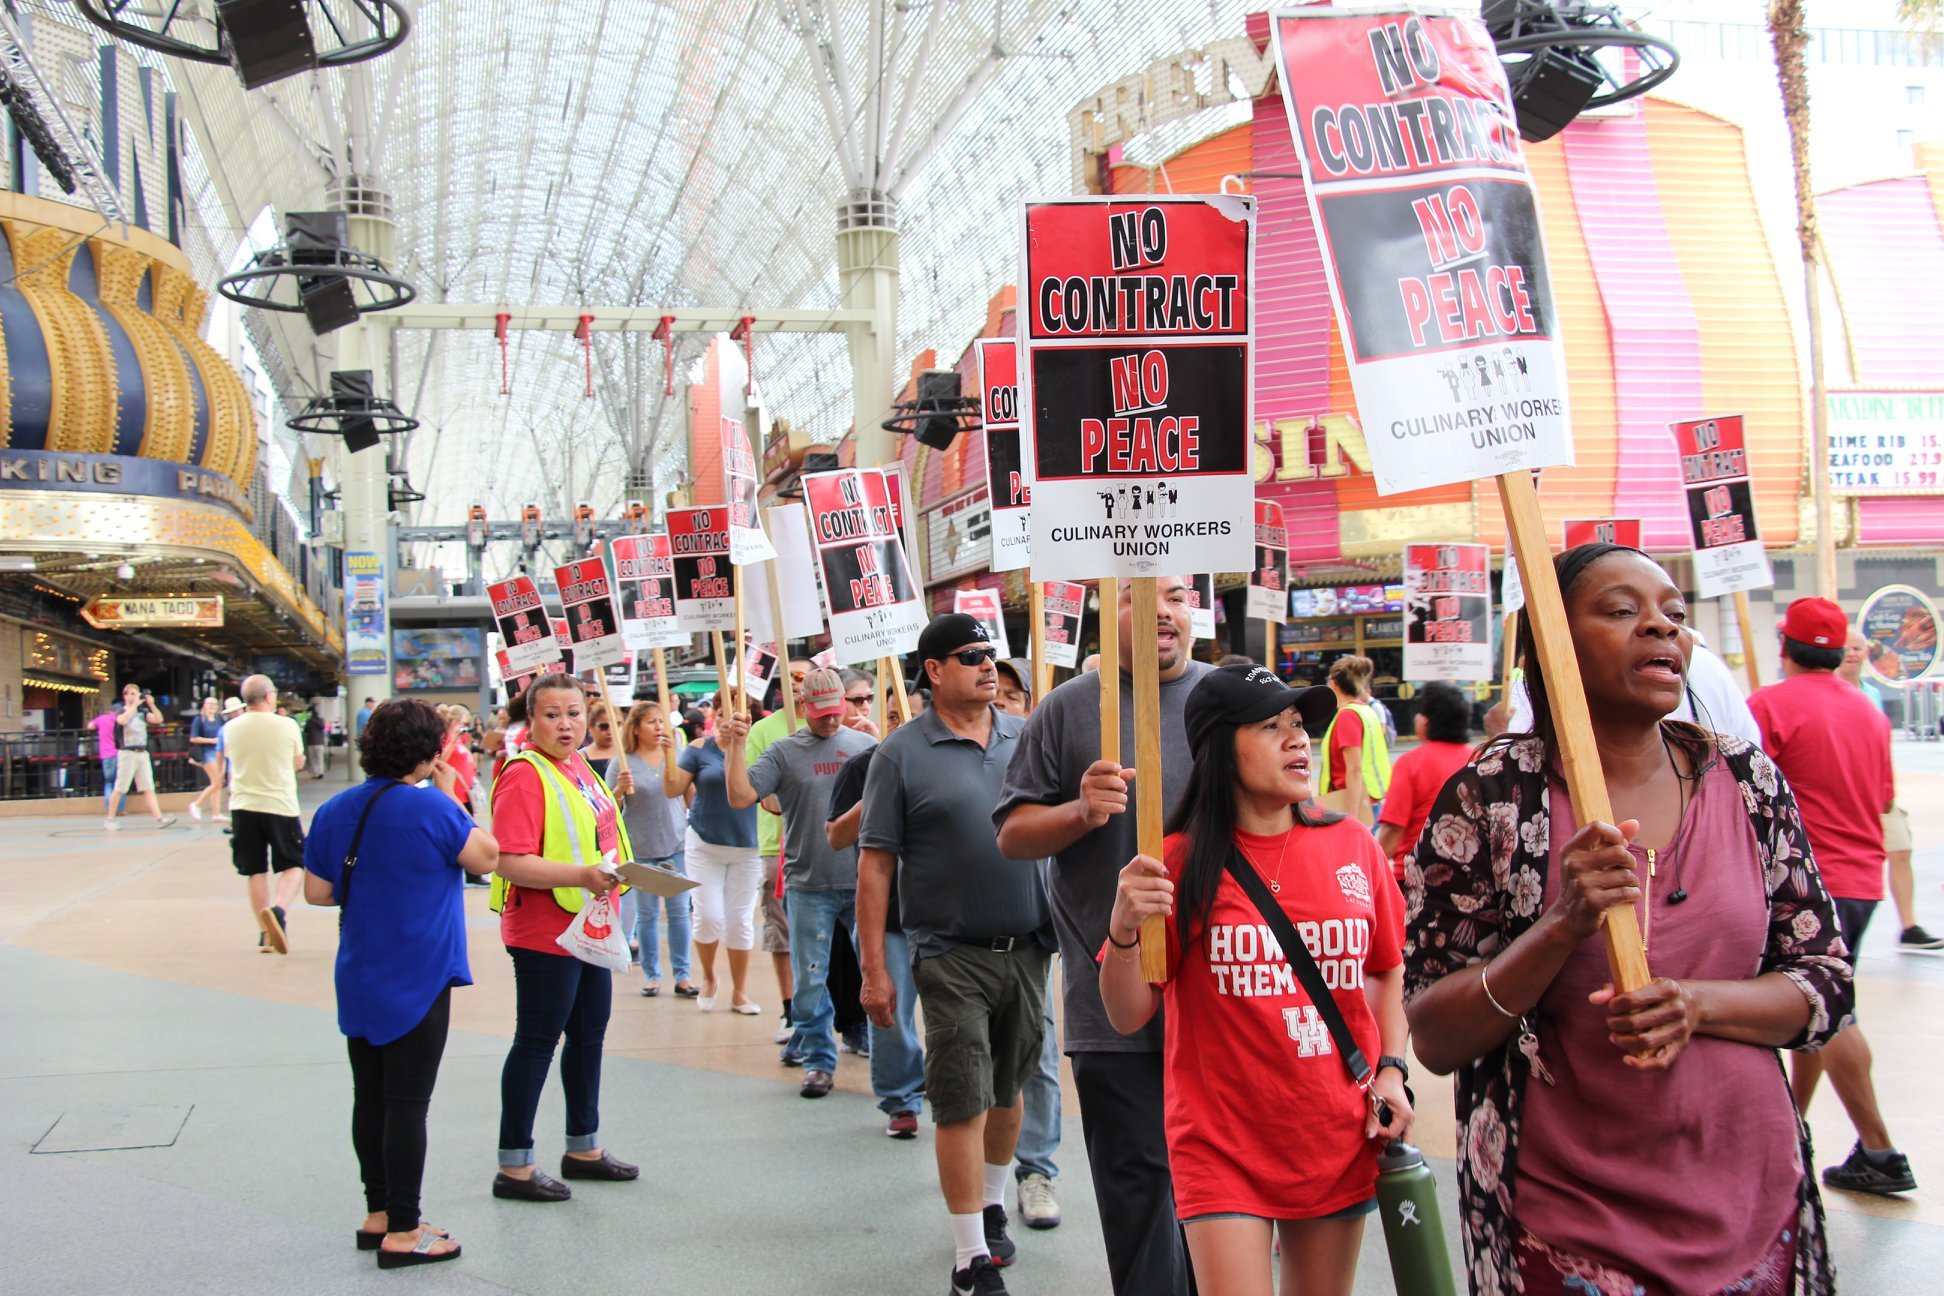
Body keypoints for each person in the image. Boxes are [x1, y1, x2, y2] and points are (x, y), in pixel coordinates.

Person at [1406, 547, 1856, 1294]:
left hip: (1753, 1200)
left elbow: (1828, 984)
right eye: (1621, 611)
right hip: (1564, 1220)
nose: (1661, 628)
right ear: (1551, 644)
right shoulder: (1490, 797)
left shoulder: (1748, 781)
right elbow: (1437, 1035)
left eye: (1675, 616)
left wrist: (1697, 1003)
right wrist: (1560, 925)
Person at [1103, 664, 1410, 1296]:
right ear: (1219, 748)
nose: (1298, 740)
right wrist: (1125, 927)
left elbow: (1385, 969)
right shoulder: (1174, 862)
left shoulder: (1354, 846)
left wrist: (1391, 1070)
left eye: (1299, 724)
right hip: (1220, 1144)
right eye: (1272, 726)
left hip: (1337, 1132)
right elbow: (1127, 1013)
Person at [994, 575, 1211, 1296]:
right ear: (1105, 609)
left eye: (1178, 596)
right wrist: (1080, 814)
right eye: (1140, 596)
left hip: (1224, 1007)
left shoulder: (1231, 704)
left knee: (1219, 1208)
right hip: (1113, 1006)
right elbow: (1014, 836)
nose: (1163, 611)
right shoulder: (1064, 711)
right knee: (1144, 1204)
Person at [856, 615, 1051, 1293]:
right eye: (970, 657)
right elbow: (875, 866)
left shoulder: (1025, 738)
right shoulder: (899, 754)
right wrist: (875, 972)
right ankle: (970, 1256)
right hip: (948, 955)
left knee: (1008, 1090)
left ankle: (993, 1202)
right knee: (963, 1098)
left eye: (990, 655)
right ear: (934, 671)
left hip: (1027, 950)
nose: (987, 666)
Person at [303, 698, 499, 1269]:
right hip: (420, 972)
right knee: (409, 1105)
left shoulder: (337, 809)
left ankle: (379, 1213)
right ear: (433, 750)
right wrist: (449, 794)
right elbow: (485, 857)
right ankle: (407, 1230)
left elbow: (317, 893)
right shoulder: (432, 810)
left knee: (371, 1097)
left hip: (360, 970)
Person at [1749, 597, 1918, 1196]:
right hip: (1863, 879)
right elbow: (1880, 800)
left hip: (1805, 884)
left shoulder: (1767, 706)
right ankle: (1794, 1121)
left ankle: (1881, 1149)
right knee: (1816, 1004)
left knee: (1831, 1011)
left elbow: (1743, 800)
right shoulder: (1870, 713)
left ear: (1785, 647)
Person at [487, 672, 637, 1202]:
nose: (566, 724)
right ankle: (515, 1166)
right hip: (545, 930)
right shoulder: (524, 774)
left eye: (574, 713)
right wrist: (582, 876)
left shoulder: (578, 768)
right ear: (532, 720)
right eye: (552, 714)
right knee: (536, 1042)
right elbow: (508, 860)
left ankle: (584, 1147)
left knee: (588, 1037)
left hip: (591, 923)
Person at [724, 667, 876, 1099]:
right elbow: (740, 796)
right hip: (808, 883)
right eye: (821, 712)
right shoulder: (783, 752)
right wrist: (735, 747)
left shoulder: (866, 746)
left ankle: (886, 1058)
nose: (830, 720)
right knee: (810, 979)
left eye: (836, 711)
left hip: (865, 880)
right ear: (804, 707)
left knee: (878, 972)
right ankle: (817, 1061)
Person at [990, 658, 1062, 1229]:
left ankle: (1035, 1169)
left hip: (1037, 934)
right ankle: (981, 1179)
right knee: (980, 1063)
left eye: (1015, 697)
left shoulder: (1052, 755)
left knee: (1038, 1053)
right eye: (998, 694)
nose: (1003, 705)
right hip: (965, 942)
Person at [662, 686, 762, 1014]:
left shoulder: (759, 749)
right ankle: (708, 976)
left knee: (740, 921)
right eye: (719, 714)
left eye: (734, 715)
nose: (725, 721)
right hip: (704, 844)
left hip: (748, 847)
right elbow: (673, 788)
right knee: (708, 917)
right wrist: (667, 755)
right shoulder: (698, 749)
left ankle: (740, 992)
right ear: (712, 716)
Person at [1839, 629, 1940, 952]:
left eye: (1858, 648)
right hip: (1844, 791)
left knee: (1901, 848)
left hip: (1876, 790)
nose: (1853, 653)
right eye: (1847, 648)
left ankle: (1909, 925)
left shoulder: (1871, 693)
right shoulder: (1833, 692)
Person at [748, 660, 817, 1038]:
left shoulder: (831, 723)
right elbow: (761, 794)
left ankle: (836, 1013)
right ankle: (791, 1010)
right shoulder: (764, 731)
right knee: (783, 931)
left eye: (804, 677)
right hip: (779, 846)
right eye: (791, 677)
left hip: (827, 843)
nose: (797, 684)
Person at [609, 701, 696, 998]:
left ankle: (683, 975)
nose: (659, 727)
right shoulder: (623, 762)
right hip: (641, 847)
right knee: (646, 915)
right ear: (635, 728)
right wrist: (620, 789)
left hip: (675, 844)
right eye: (651, 722)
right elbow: (608, 808)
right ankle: (651, 974)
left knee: (680, 912)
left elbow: (690, 795)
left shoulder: (676, 756)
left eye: (661, 721)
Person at [225, 675, 306, 952]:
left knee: (255, 870)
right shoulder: (287, 725)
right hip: (280, 805)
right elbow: (297, 762)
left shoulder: (230, 728)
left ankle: (265, 935)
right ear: (269, 697)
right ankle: (279, 912)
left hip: (243, 805)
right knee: (293, 865)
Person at [1374, 681, 1475, 882]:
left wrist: (1373, 871)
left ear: (1427, 721)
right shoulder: (1478, 758)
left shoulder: (1411, 763)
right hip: (1470, 875)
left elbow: (1393, 828)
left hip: (1417, 876)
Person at [1316, 656, 1389, 826]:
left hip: (1352, 801)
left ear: (1333, 683)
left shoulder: (1347, 716)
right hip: (1371, 799)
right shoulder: (1366, 711)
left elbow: (1354, 769)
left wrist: (1353, 814)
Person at [107, 683, 176, 830]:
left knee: (148, 786)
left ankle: (159, 817)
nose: (134, 696)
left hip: (141, 753)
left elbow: (158, 719)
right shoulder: (121, 711)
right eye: (131, 694)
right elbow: (122, 720)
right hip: (127, 753)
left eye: (136, 694)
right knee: (121, 786)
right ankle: (110, 818)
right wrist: (133, 705)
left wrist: (152, 704)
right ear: (125, 695)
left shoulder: (142, 712)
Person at [187, 696, 225, 821]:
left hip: (218, 752)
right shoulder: (199, 720)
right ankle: (197, 804)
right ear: (204, 705)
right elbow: (193, 738)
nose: (212, 706)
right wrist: (211, 741)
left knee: (217, 783)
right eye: (209, 703)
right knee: (217, 782)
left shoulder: (219, 719)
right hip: (207, 752)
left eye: (214, 704)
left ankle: (216, 812)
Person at [90, 701, 129, 821]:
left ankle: (109, 808)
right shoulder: (121, 719)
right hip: (120, 754)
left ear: (110, 710)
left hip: (106, 755)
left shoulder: (102, 718)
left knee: (108, 783)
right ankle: (120, 809)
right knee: (120, 783)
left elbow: (90, 726)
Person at [305, 703, 329, 779]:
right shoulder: (320, 720)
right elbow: (322, 727)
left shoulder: (310, 721)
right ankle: (319, 772)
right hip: (318, 742)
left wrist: (312, 721)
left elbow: (306, 729)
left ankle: (316, 773)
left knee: (313, 759)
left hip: (312, 742)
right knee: (319, 758)